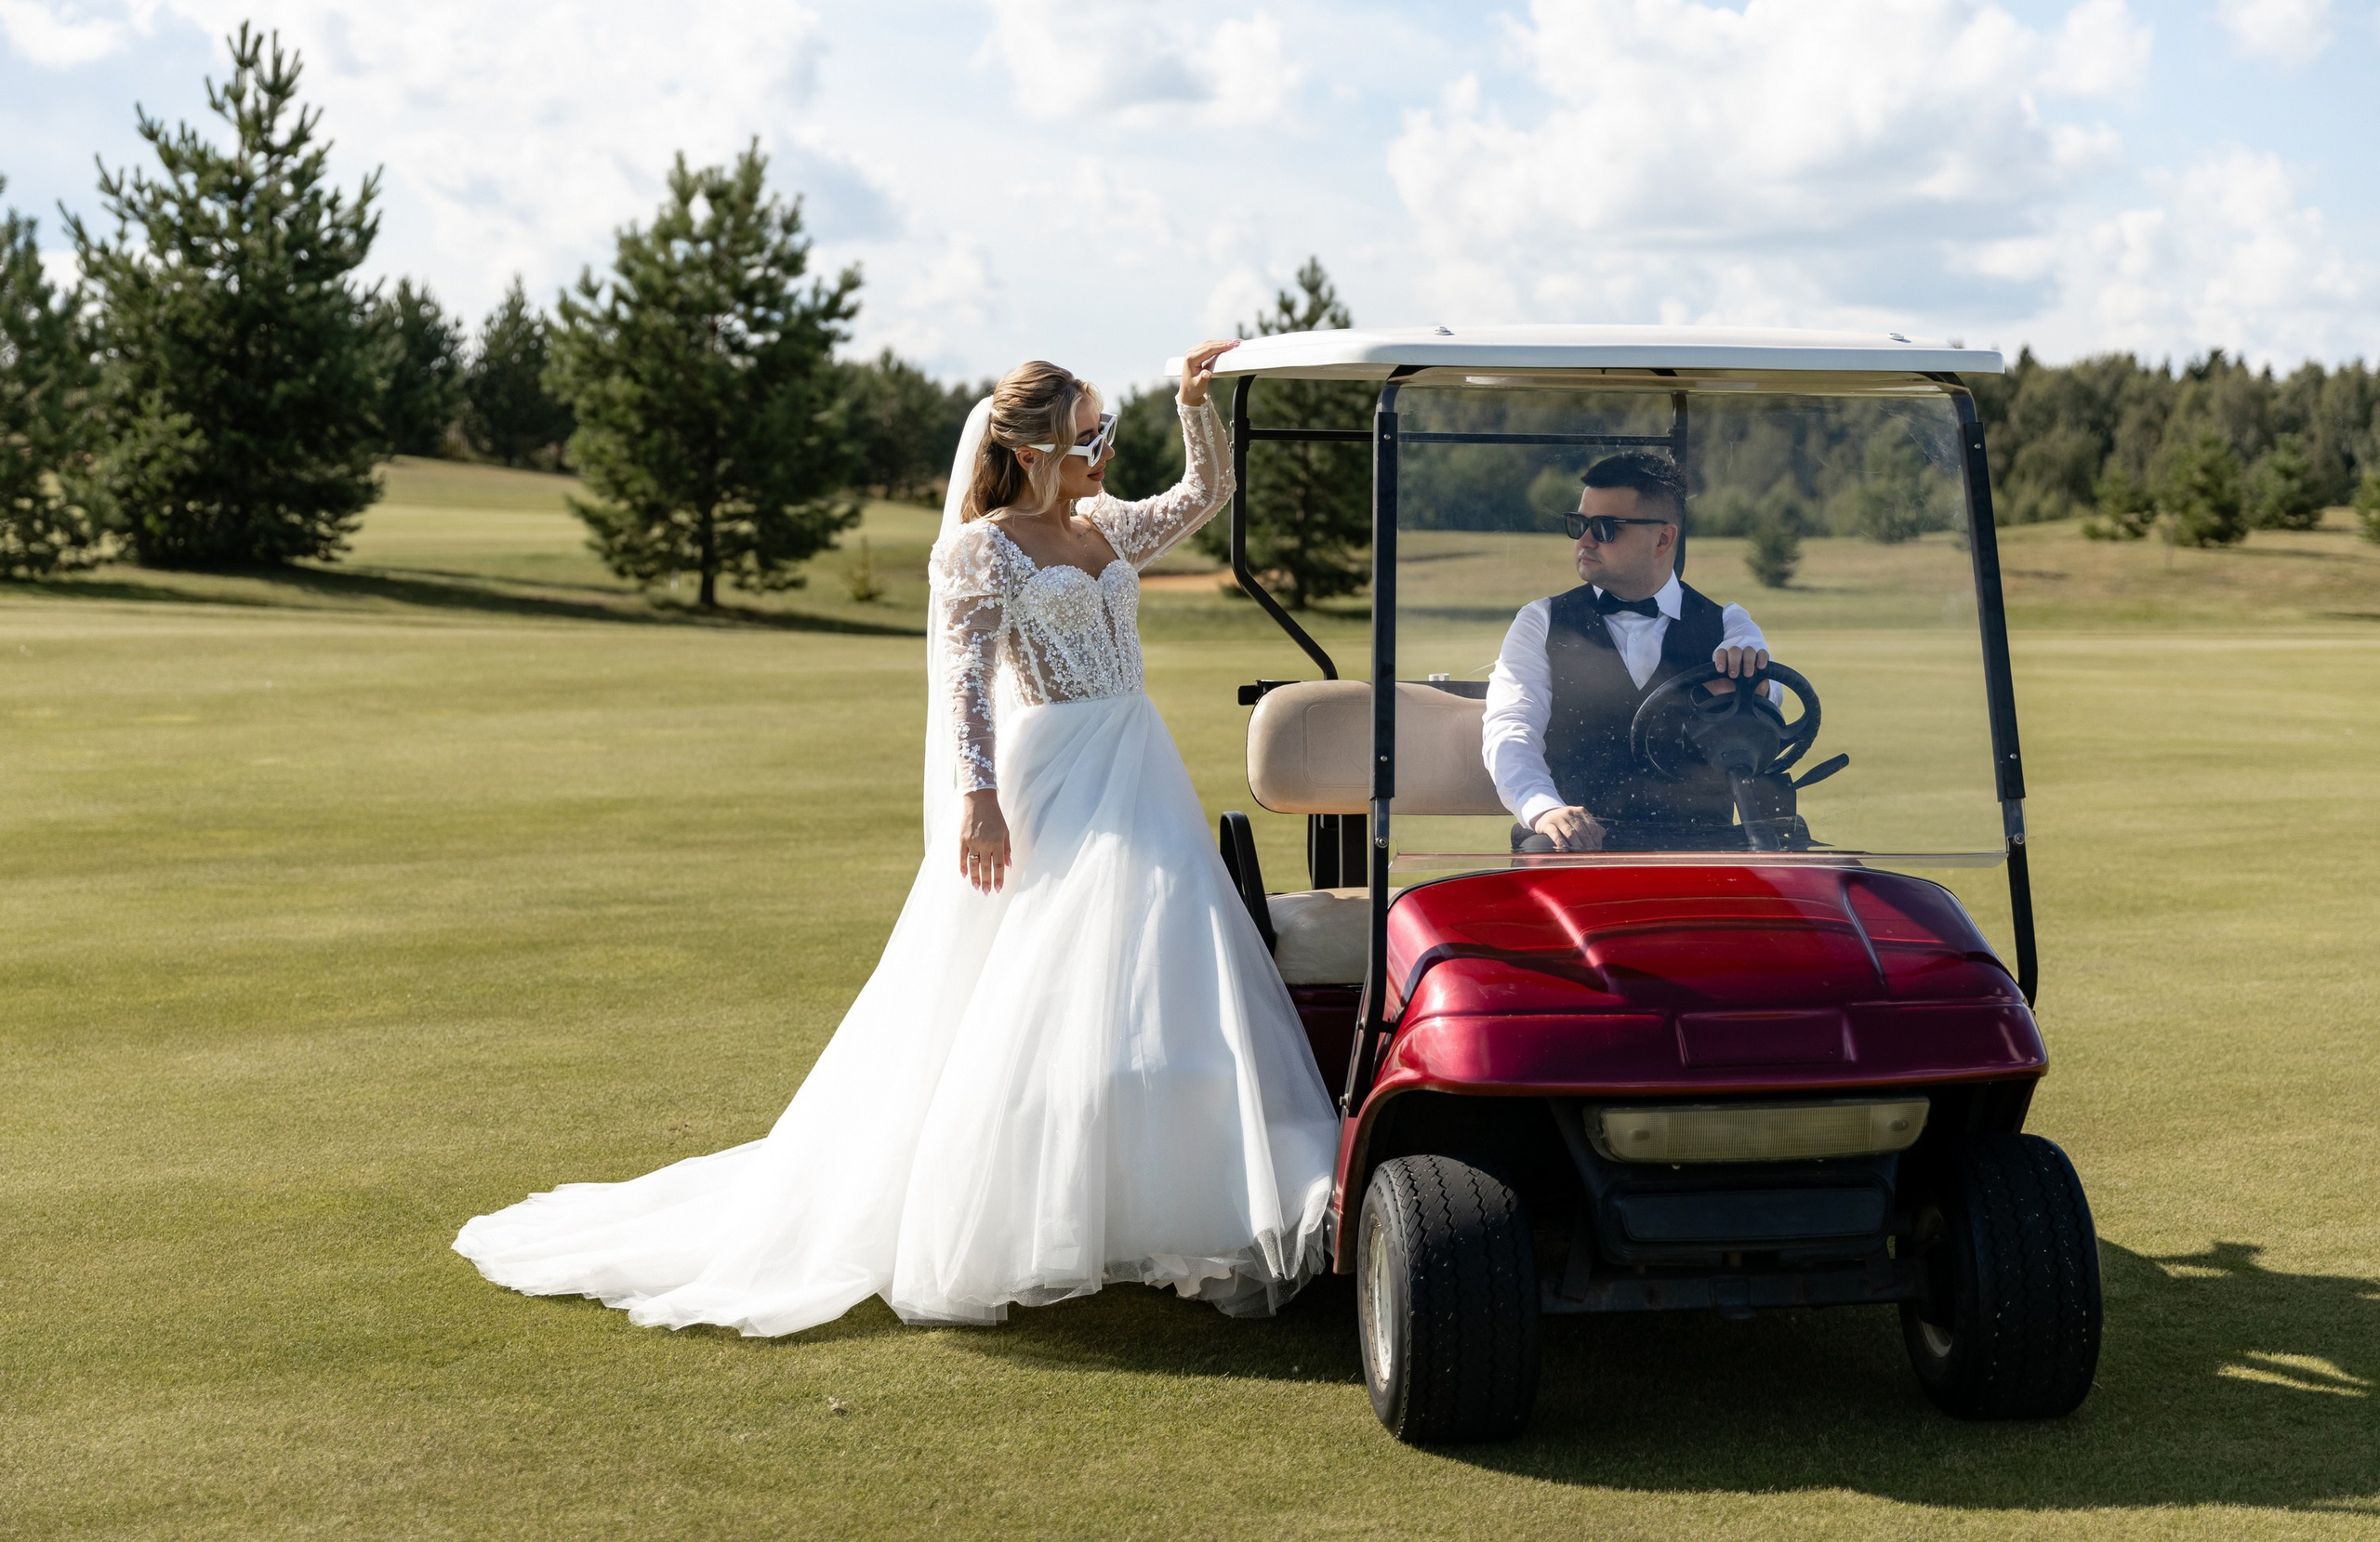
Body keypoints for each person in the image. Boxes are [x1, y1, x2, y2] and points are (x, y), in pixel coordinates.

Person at [454, 340, 1339, 1334]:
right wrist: (977, 799)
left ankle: (1159, 1197)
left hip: (1136, 758)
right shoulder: (981, 547)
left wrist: (1193, 406)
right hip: (1048, 768)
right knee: (1040, 976)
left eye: (1110, 429)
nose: (1105, 449)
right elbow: (965, 682)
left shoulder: (1102, 527)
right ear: (1041, 444)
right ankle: (1012, 1206)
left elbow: (1202, 496)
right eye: (1094, 431)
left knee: (1164, 961)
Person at [1481, 451, 1774, 853]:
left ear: (1663, 538)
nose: (1584, 540)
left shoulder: (1730, 626)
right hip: (1578, 845)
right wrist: (1544, 809)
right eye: (1579, 524)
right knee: (1541, 855)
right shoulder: (1541, 622)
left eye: (1604, 527)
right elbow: (1511, 728)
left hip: (1701, 848)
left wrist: (1756, 683)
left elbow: (1768, 716)